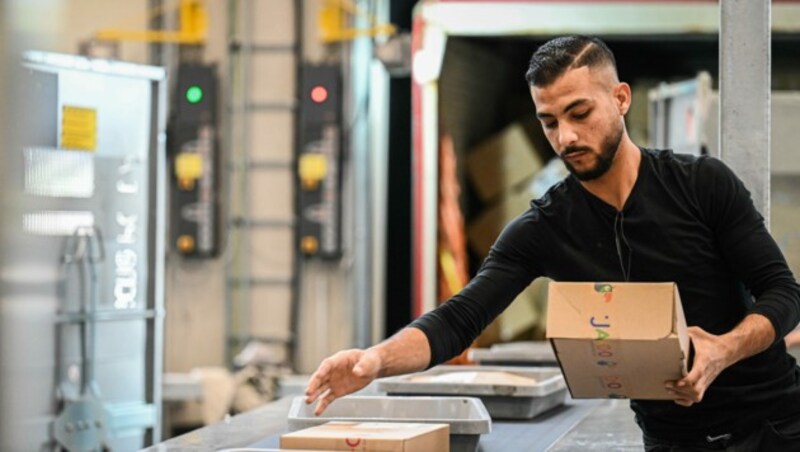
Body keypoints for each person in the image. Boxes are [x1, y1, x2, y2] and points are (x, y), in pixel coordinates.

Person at [305, 35, 800, 450]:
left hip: (774, 427)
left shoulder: (701, 185)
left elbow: (783, 293)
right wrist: (374, 360)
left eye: (579, 113)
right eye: (549, 122)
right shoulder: (545, 226)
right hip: (673, 441)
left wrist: (722, 351)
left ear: (621, 98)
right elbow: (459, 319)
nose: (566, 137)